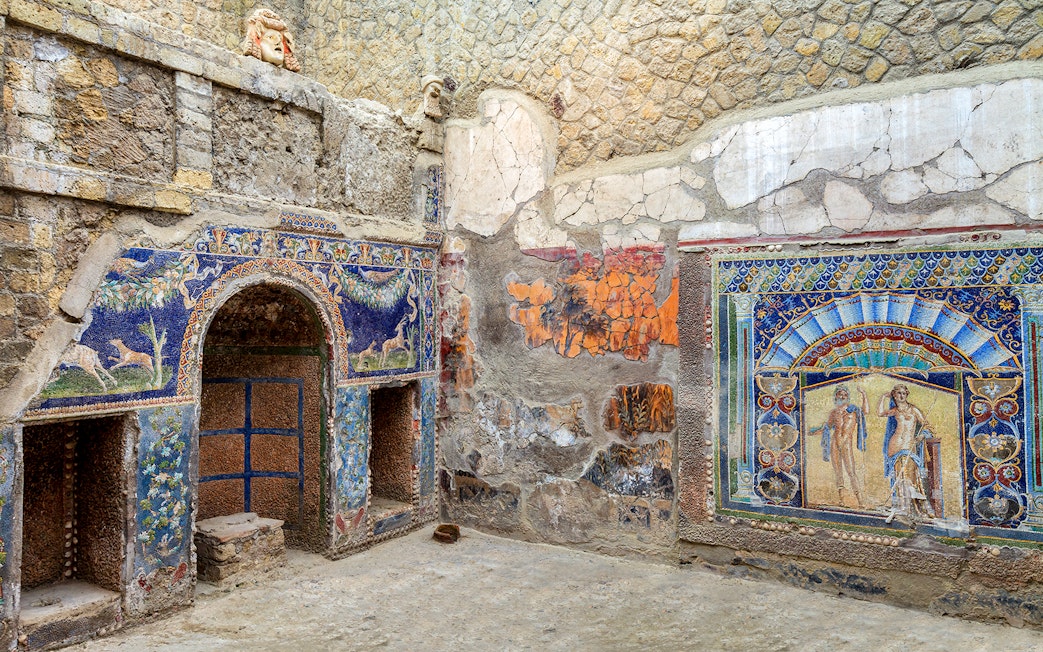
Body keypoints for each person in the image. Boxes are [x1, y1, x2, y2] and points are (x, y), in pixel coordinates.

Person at [878, 384, 935, 522]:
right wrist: (883, 397)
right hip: (895, 446)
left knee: (910, 476)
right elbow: (880, 413)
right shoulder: (895, 411)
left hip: (909, 446)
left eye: (904, 393)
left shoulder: (913, 410)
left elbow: (927, 426)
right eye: (898, 393)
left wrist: (923, 435)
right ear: (894, 395)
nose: (901, 396)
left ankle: (914, 507)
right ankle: (903, 507)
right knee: (899, 477)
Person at [809, 385, 867, 507]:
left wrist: (863, 394)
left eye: (845, 395)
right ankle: (842, 500)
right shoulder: (834, 413)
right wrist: (812, 432)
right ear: (836, 396)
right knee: (838, 472)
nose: (842, 397)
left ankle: (861, 501)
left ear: (848, 397)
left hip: (846, 443)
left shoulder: (853, 410)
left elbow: (865, 411)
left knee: (851, 472)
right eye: (840, 394)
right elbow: (827, 427)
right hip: (835, 443)